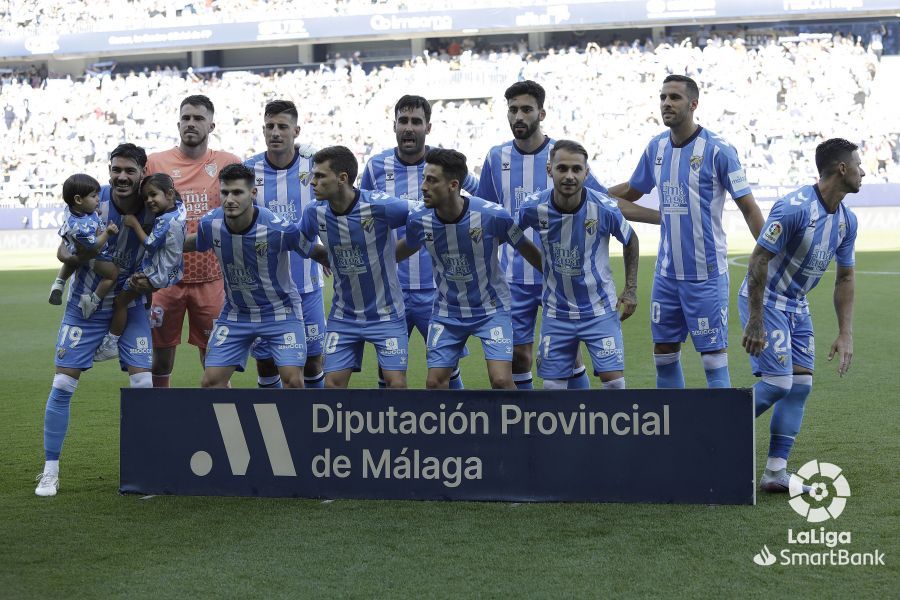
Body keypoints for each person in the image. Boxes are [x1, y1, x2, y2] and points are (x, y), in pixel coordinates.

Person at [476, 80, 657, 391]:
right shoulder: (496, 157)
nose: (519, 116)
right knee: (520, 356)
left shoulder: (565, 155)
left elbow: (604, 202)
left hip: (564, 281)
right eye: (513, 110)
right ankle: (533, 426)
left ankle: (578, 423)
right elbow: (489, 216)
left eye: (526, 109)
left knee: (568, 356)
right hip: (514, 277)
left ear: (541, 113)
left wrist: (662, 219)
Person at [608, 74, 764, 389]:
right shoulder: (656, 147)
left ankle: (720, 436)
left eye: (674, 98)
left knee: (712, 357)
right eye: (663, 97)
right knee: (664, 353)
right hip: (667, 275)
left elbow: (749, 208)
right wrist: (590, 193)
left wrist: (769, 257)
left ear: (693, 104)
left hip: (706, 274)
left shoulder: (719, 150)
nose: (666, 103)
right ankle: (673, 434)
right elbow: (631, 190)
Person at [35, 143, 155, 497]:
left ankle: (145, 468)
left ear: (141, 173)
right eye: (116, 169)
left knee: (144, 385)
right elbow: (63, 247)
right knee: (62, 386)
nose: (121, 176)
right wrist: (69, 255)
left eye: (129, 171)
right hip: (84, 310)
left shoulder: (153, 205)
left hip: (129, 304)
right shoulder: (91, 198)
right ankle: (50, 471)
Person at [740, 138, 860, 492]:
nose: (862, 171)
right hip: (766, 299)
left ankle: (775, 473)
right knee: (779, 383)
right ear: (842, 168)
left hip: (797, 304)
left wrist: (845, 332)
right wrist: (756, 318)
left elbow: (846, 276)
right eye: (857, 164)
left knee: (800, 386)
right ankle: (715, 432)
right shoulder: (794, 208)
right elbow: (758, 259)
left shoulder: (846, 221)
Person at [361, 95, 479, 390]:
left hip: (439, 289)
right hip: (390, 290)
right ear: (394, 125)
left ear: (428, 126)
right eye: (404, 121)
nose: (409, 128)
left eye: (416, 122)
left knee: (446, 370)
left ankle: (456, 428)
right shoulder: (376, 167)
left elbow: (479, 205)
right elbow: (362, 217)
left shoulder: (447, 164)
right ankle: (386, 432)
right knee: (388, 372)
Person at [398, 148, 542, 389]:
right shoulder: (419, 219)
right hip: (447, 311)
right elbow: (404, 248)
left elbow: (524, 245)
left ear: (453, 185)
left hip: (491, 308)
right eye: (424, 178)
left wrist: (552, 276)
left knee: (501, 380)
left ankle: (518, 425)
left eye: (432, 180)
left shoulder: (492, 216)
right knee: (434, 383)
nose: (423, 186)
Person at [184, 163, 329, 388]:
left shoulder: (279, 229)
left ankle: (294, 423)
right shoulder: (209, 224)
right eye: (225, 192)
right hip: (236, 313)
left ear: (253, 193)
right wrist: (154, 246)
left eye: (237, 192)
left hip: (280, 312)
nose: (230, 199)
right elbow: (193, 243)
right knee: (210, 382)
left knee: (293, 381)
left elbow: (314, 250)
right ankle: (229, 424)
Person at [518, 141, 640, 389]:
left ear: (586, 172)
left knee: (615, 385)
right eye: (562, 168)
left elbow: (631, 239)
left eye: (576, 169)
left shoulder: (605, 209)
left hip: (600, 310)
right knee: (552, 388)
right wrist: (542, 263)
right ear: (550, 169)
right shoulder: (533, 207)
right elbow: (511, 234)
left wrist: (630, 288)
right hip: (556, 312)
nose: (570, 176)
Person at [145, 94, 242, 387]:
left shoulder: (228, 163)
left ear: (211, 125)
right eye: (186, 118)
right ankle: (162, 422)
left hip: (211, 278)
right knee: (160, 359)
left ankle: (218, 425)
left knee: (214, 360)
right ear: (178, 123)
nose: (191, 123)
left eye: (198, 118)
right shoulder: (155, 163)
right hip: (165, 280)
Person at [299, 146, 411, 389]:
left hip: (386, 313)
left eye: (319, 176)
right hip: (344, 315)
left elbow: (422, 219)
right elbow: (297, 241)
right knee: (332, 386)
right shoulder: (314, 212)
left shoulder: (382, 207)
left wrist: (398, 252)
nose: (312, 182)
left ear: (342, 179)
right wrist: (319, 254)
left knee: (396, 385)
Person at [244, 99, 326, 389]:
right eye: (269, 126)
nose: (275, 132)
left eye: (282, 126)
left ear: (296, 131)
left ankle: (314, 427)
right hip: (265, 290)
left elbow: (330, 207)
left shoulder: (314, 166)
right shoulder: (248, 170)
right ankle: (273, 425)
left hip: (307, 284)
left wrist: (327, 250)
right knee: (267, 363)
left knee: (314, 360)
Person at [94, 174, 187, 361]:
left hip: (155, 273)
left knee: (120, 302)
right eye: (145, 197)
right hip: (173, 269)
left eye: (153, 195)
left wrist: (134, 223)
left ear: (169, 194)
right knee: (140, 296)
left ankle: (111, 342)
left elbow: (151, 244)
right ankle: (145, 310)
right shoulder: (179, 207)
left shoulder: (165, 220)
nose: (149, 201)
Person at [48, 174, 119, 316]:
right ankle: (93, 301)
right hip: (92, 255)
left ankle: (59, 282)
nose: (98, 199)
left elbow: (87, 214)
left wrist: (94, 212)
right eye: (93, 196)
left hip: (72, 247)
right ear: (78, 199)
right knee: (112, 274)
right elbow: (94, 246)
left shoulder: (73, 210)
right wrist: (108, 233)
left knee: (71, 262)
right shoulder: (80, 227)